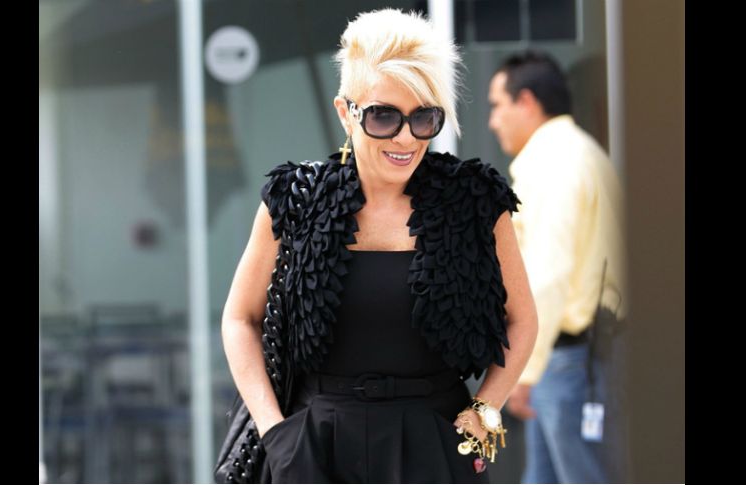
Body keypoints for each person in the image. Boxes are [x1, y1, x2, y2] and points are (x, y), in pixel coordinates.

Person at [221, 9, 538, 483]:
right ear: (345, 112)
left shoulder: (475, 200)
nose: (406, 137)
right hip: (314, 451)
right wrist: (276, 434)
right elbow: (240, 319)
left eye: (424, 117)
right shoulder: (295, 199)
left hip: (436, 446)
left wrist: (483, 414)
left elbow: (523, 319)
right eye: (384, 116)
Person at [487, 51, 628, 483]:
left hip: (567, 359)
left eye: (498, 105)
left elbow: (547, 274)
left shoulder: (554, 163)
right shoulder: (579, 152)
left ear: (527, 101)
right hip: (576, 356)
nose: (493, 121)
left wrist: (523, 369)